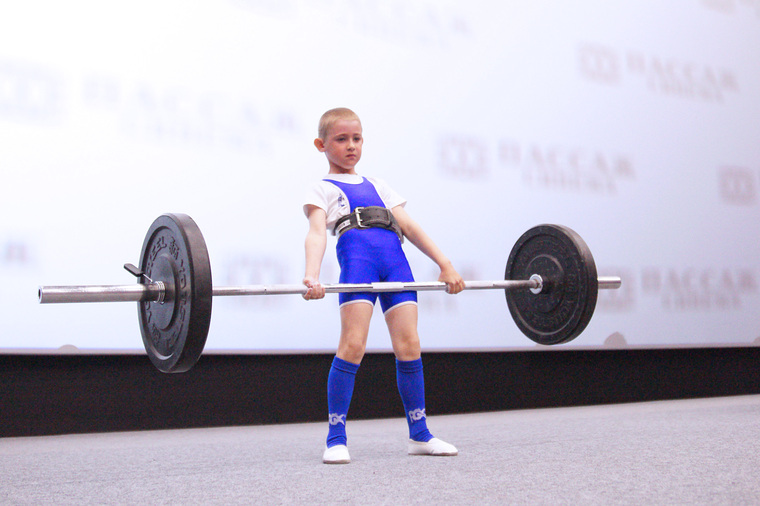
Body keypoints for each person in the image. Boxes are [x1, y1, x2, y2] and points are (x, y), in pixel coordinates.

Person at [302, 107, 465, 464]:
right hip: (358, 264)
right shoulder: (322, 188)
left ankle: (420, 435)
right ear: (321, 144)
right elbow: (316, 234)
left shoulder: (378, 185)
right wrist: (312, 275)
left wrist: (445, 264)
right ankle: (335, 438)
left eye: (356, 138)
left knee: (409, 344)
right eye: (341, 139)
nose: (351, 146)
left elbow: (411, 227)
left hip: (396, 264)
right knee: (353, 345)